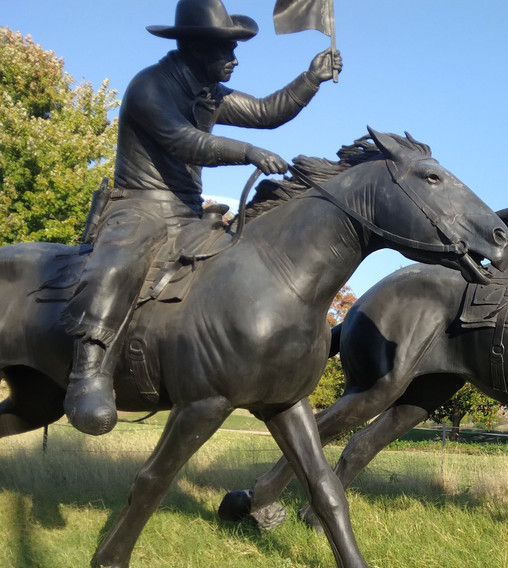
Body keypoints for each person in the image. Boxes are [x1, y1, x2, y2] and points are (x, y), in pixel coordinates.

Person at [61, 0, 342, 435]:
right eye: (223, 49)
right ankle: (88, 374)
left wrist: (311, 79)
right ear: (193, 46)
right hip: (139, 204)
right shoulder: (150, 86)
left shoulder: (209, 93)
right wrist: (245, 152)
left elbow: (267, 113)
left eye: (233, 48)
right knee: (117, 264)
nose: (233, 58)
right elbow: (183, 141)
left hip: (189, 211)